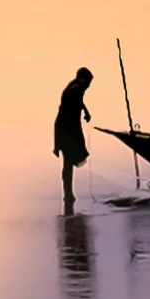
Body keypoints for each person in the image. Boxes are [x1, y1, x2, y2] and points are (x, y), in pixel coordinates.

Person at [54, 67, 94, 210]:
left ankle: (69, 193)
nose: (88, 86)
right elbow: (68, 109)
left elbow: (80, 101)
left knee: (69, 161)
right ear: (83, 80)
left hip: (69, 127)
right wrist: (58, 141)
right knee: (68, 162)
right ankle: (68, 193)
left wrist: (86, 111)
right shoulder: (74, 90)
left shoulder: (76, 87)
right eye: (88, 83)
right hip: (66, 128)